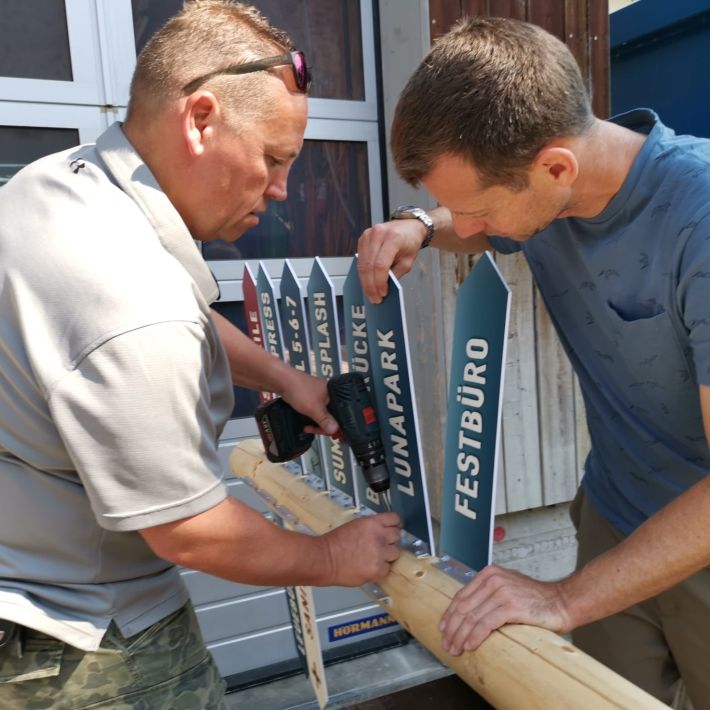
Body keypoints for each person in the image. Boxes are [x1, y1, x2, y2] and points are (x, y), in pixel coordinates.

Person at [0, 2, 401, 707]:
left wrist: (286, 379)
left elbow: (179, 320)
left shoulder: (64, 183)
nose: (281, 191)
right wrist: (335, 556)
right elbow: (190, 531)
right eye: (273, 160)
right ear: (200, 118)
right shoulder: (125, 294)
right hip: (80, 641)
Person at [357, 15, 710, 708]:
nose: (474, 228)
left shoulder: (699, 221)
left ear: (556, 168)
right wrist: (424, 226)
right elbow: (479, 217)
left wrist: (563, 598)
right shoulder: (547, 188)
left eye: (476, 210)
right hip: (613, 509)